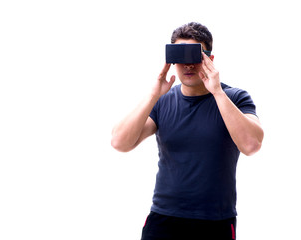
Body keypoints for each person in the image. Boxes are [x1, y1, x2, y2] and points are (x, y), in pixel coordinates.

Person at [111, 22, 264, 240]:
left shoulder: (235, 98)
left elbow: (251, 145)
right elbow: (119, 142)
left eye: (195, 56)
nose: (188, 65)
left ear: (210, 60)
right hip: (163, 219)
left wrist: (217, 92)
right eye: (180, 56)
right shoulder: (162, 102)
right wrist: (153, 95)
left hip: (215, 221)